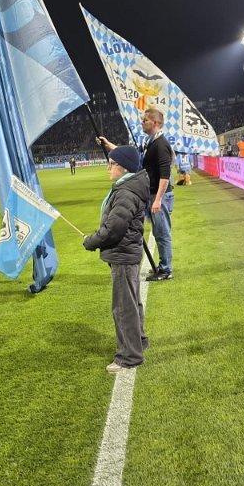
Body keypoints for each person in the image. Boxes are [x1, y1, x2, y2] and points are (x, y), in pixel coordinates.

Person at [82, 146, 151, 373]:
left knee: (123, 307)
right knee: (131, 302)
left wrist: (91, 241)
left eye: (111, 164)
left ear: (123, 167)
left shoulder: (126, 192)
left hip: (123, 254)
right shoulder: (128, 188)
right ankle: (139, 341)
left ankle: (129, 356)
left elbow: (114, 229)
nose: (108, 168)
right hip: (126, 252)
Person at [98, 108, 174, 282]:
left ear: (155, 123)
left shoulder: (161, 144)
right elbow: (130, 156)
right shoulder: (150, 142)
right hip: (151, 194)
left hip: (158, 195)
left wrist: (158, 199)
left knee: (162, 233)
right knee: (155, 231)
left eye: (145, 120)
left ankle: (166, 270)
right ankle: (163, 267)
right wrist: (108, 144)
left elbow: (165, 174)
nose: (142, 123)